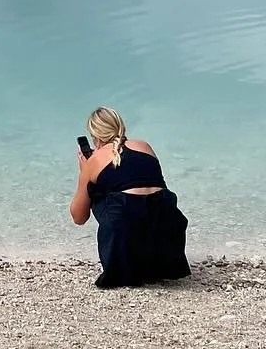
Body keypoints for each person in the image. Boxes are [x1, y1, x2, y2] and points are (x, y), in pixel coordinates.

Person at [69, 106, 190, 289]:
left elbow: (78, 217)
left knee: (99, 193)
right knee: (152, 197)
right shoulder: (145, 146)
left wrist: (85, 173)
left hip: (125, 248)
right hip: (169, 246)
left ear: (95, 137)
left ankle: (124, 260)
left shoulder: (94, 161)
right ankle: (150, 262)